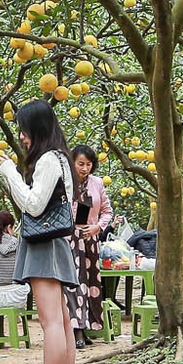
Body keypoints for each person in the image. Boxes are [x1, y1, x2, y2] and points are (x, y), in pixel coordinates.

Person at [0, 99, 78, 364]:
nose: (22, 136)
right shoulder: (61, 158)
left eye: (24, 130)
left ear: (36, 128)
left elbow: (33, 205)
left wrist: (10, 173)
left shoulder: (47, 160)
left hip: (44, 245)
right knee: (63, 321)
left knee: (51, 323)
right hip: (55, 244)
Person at [67, 145, 112, 348]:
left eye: (88, 164)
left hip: (90, 240)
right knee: (75, 284)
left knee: (91, 284)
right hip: (70, 240)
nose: (85, 168)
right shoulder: (65, 184)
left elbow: (107, 211)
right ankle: (76, 330)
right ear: (73, 163)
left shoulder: (98, 183)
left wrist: (97, 228)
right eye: (80, 164)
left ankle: (87, 326)